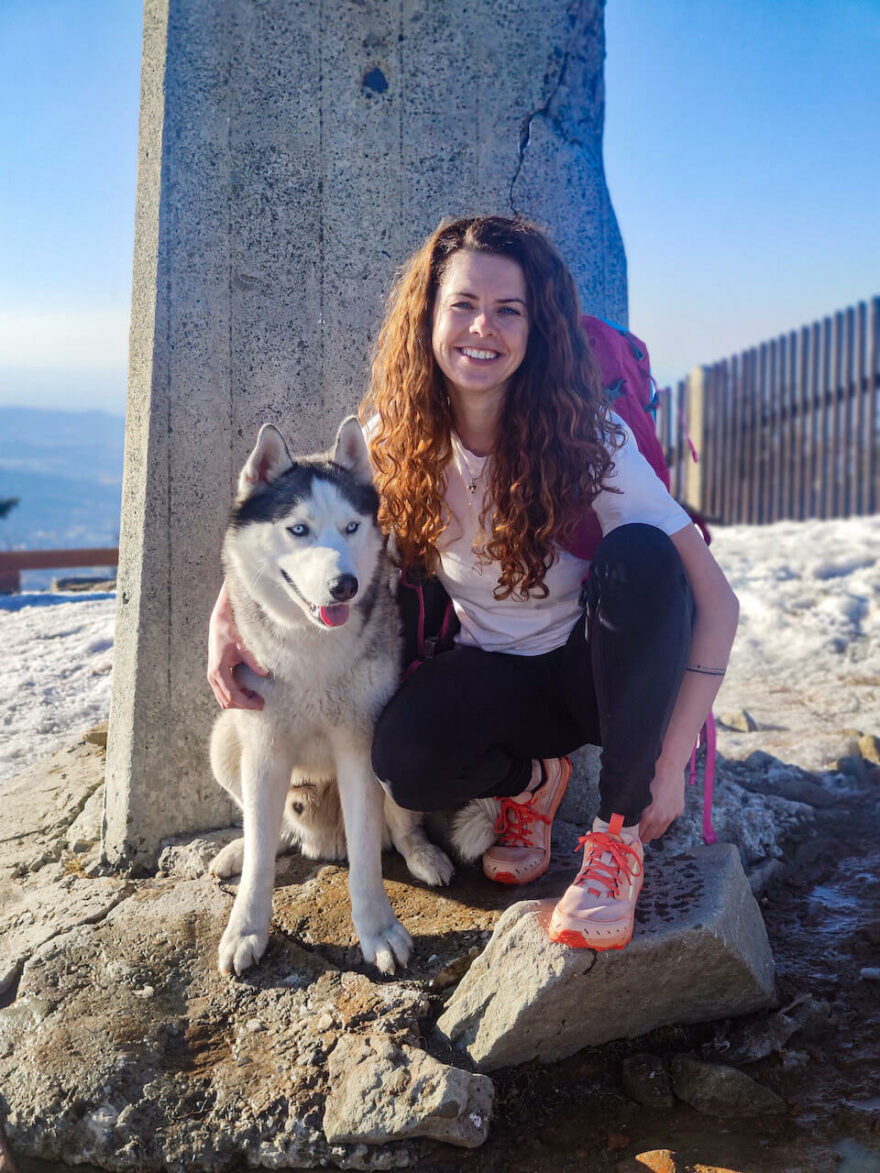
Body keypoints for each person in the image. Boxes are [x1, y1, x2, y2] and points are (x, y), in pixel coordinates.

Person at [208, 215, 739, 952]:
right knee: (406, 766)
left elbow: (715, 600)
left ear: (535, 327)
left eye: (508, 309)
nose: (481, 327)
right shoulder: (399, 437)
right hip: (495, 677)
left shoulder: (589, 435)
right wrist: (225, 619)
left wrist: (669, 763)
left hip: (599, 676)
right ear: (428, 316)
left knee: (644, 556)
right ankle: (532, 783)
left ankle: (614, 839)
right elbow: (295, 523)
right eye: (462, 304)